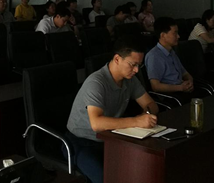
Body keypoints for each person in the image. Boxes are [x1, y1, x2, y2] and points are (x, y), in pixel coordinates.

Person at [66, 37, 158, 183]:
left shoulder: (130, 80)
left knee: (139, 168)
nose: (136, 70)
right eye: (133, 64)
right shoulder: (96, 82)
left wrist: (146, 114)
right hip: (81, 141)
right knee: (107, 178)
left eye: (138, 66)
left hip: (110, 138)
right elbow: (96, 124)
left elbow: (151, 104)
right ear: (117, 59)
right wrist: (136, 121)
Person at [145, 17, 196, 101]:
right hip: (171, 97)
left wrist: (190, 82)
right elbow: (155, 86)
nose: (178, 36)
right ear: (163, 35)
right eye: (175, 33)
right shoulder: (154, 56)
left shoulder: (172, 52)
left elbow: (185, 73)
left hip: (181, 90)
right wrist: (180, 88)